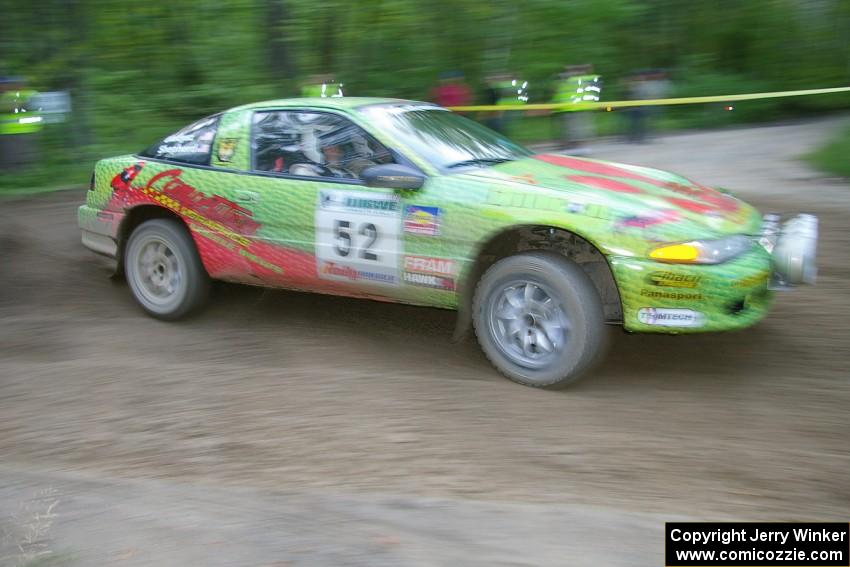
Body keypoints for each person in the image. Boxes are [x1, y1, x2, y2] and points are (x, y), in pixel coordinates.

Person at [552, 64, 601, 153]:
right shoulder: (576, 81)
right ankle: (573, 146)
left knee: (576, 129)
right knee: (574, 129)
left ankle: (575, 146)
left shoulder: (573, 81)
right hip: (572, 108)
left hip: (575, 108)